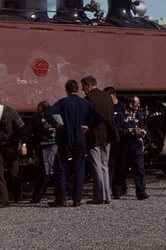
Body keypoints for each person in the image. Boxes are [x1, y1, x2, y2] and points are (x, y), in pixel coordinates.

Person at [44, 79, 104, 207]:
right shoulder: (84, 103)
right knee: (79, 168)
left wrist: (56, 125)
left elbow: (48, 113)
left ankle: (61, 198)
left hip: (66, 134)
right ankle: (77, 199)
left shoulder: (63, 102)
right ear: (77, 89)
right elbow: (100, 116)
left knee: (60, 167)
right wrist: (89, 126)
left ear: (66, 90)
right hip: (79, 135)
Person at [0, 92, 29, 207]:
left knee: (13, 172)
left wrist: (23, 144)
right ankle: (4, 199)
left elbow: (22, 129)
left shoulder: (10, 112)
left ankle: (18, 187)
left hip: (10, 146)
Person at [81, 75, 119, 204]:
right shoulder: (107, 96)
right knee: (104, 165)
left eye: (83, 86)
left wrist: (88, 126)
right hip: (107, 134)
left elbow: (88, 116)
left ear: (89, 85)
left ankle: (99, 196)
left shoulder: (89, 98)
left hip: (95, 134)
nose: (82, 89)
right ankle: (106, 196)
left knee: (96, 165)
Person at [113, 95, 149, 200]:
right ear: (130, 104)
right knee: (121, 168)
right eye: (137, 103)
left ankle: (141, 191)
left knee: (139, 168)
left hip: (136, 144)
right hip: (124, 144)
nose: (139, 105)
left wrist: (142, 132)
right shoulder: (120, 116)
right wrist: (130, 131)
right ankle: (117, 190)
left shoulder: (138, 115)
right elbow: (118, 130)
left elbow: (143, 127)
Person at [27, 101, 58, 203]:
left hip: (52, 146)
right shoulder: (35, 117)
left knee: (47, 172)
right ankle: (70, 190)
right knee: (47, 172)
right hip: (42, 146)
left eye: (40, 111)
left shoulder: (55, 116)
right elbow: (30, 130)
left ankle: (37, 196)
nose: (38, 112)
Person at [104, 86, 125, 195]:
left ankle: (120, 186)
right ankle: (112, 188)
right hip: (111, 137)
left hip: (121, 138)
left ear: (114, 95)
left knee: (121, 162)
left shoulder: (121, 106)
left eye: (109, 96)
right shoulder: (107, 106)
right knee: (111, 162)